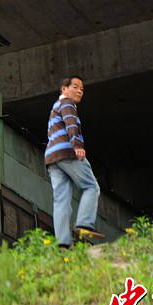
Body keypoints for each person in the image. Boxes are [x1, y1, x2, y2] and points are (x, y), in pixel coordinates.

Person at [45, 75, 103, 248]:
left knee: (61, 201)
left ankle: (63, 243)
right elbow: (71, 124)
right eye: (75, 87)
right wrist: (77, 145)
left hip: (52, 157)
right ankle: (84, 223)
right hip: (67, 152)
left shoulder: (55, 107)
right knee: (91, 186)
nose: (79, 91)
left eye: (82, 89)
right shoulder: (67, 103)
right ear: (64, 89)